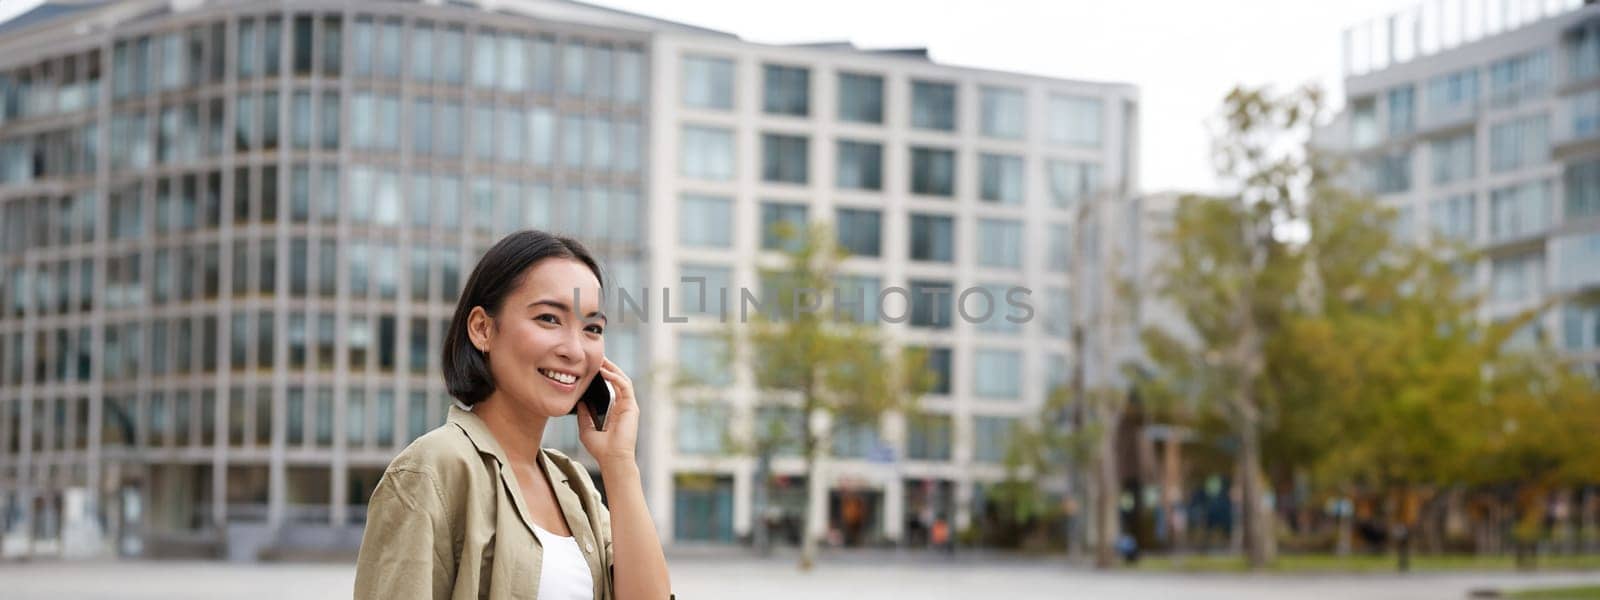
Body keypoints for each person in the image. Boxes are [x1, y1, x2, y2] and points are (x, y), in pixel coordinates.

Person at [354, 231, 673, 600]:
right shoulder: (431, 472)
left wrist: (619, 464)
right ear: (482, 329)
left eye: (592, 329)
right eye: (549, 318)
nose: (574, 349)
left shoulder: (576, 487)